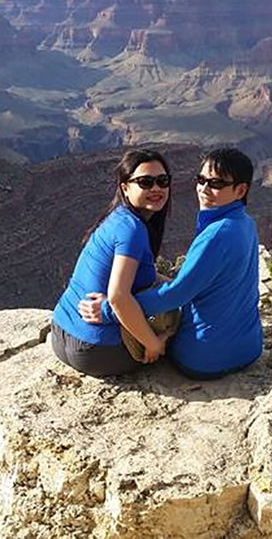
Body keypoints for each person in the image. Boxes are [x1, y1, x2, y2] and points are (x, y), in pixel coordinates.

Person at [80, 147, 262, 380]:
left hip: (204, 359)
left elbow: (177, 294)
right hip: (249, 348)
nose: (204, 188)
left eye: (216, 184)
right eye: (201, 179)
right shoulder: (245, 223)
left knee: (146, 328)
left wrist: (109, 310)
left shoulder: (217, 235)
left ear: (240, 190)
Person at [50, 149, 174, 376]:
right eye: (145, 182)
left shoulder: (118, 218)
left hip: (61, 334)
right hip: (97, 351)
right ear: (125, 187)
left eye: (162, 181)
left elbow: (140, 276)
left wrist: (179, 286)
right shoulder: (132, 230)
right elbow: (119, 297)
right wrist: (155, 343)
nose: (156, 188)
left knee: (173, 302)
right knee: (186, 328)